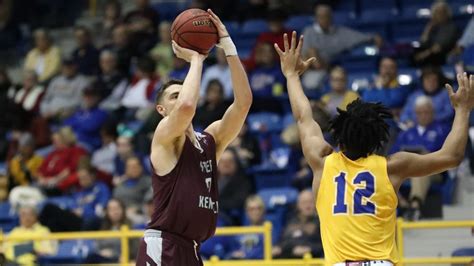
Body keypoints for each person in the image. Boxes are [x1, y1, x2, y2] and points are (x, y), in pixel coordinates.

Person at [274, 31, 473, 265]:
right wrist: (462, 111)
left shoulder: (322, 161)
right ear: (378, 139)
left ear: (340, 136)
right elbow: (452, 156)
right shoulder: (391, 167)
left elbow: (303, 117)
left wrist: (291, 75)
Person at [136, 9, 252, 266]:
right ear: (161, 110)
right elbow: (188, 106)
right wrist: (196, 59)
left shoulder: (210, 140)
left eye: (182, 92)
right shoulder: (164, 134)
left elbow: (243, 104)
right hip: (164, 245)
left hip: (192, 249)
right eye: (172, 96)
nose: (181, 99)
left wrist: (228, 46)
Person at [390, 96, 449, 220]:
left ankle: (415, 206)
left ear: (432, 112)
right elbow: (393, 155)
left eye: (426, 112)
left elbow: (447, 155)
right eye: (420, 112)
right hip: (406, 170)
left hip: (434, 171)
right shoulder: (407, 133)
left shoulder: (442, 130)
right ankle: (404, 204)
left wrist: (426, 154)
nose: (423, 115)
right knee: (386, 174)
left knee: (420, 170)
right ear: (415, 114)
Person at [302, 5, 382, 66]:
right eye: (321, 17)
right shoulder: (308, 32)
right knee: (312, 52)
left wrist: (373, 37)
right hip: (311, 69)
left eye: (327, 16)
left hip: (333, 66)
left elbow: (358, 37)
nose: (324, 19)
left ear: (331, 17)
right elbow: (303, 55)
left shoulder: (340, 32)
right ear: (316, 18)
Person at [272, 190, 322, 258]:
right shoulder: (290, 220)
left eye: (310, 202)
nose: (307, 206)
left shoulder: (320, 222)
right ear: (298, 205)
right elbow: (282, 240)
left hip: (310, 259)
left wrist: (310, 249)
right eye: (304, 202)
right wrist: (278, 247)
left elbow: (324, 246)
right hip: (288, 257)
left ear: (316, 204)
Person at [413, 1, 459, 66]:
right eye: (437, 12)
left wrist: (424, 54)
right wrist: (427, 30)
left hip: (443, 54)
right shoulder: (432, 27)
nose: (440, 15)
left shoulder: (451, 27)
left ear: (447, 13)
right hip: (430, 53)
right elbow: (422, 43)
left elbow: (440, 46)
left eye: (442, 12)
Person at [64, 86, 109, 150]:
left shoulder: (101, 113)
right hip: (72, 142)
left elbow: (89, 127)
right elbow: (66, 124)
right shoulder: (79, 112)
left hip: (88, 144)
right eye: (86, 96)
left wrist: (74, 125)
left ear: (97, 97)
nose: (88, 98)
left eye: (91, 96)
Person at [113, 156, 151, 223]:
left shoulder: (148, 182)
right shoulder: (119, 186)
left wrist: (138, 208)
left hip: (142, 215)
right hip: (122, 216)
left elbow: (150, 203)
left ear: (141, 168)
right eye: (129, 167)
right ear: (125, 169)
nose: (133, 169)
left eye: (135, 166)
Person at [228, 195, 265, 259]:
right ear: (246, 211)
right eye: (251, 209)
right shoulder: (239, 233)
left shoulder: (270, 230)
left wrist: (246, 255)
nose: (255, 212)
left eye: (258, 208)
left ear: (263, 210)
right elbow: (231, 252)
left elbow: (272, 250)